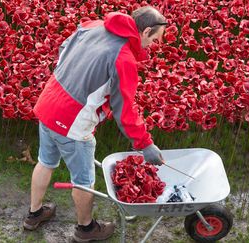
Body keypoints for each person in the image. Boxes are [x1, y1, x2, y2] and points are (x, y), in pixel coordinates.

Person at [24, 6, 167, 242]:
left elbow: (63, 49)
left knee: (45, 161)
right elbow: (126, 111)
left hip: (49, 102)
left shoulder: (94, 25)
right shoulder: (123, 59)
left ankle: (34, 214)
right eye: (155, 40)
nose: (154, 46)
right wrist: (145, 144)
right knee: (84, 181)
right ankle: (86, 229)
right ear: (146, 30)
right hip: (73, 123)